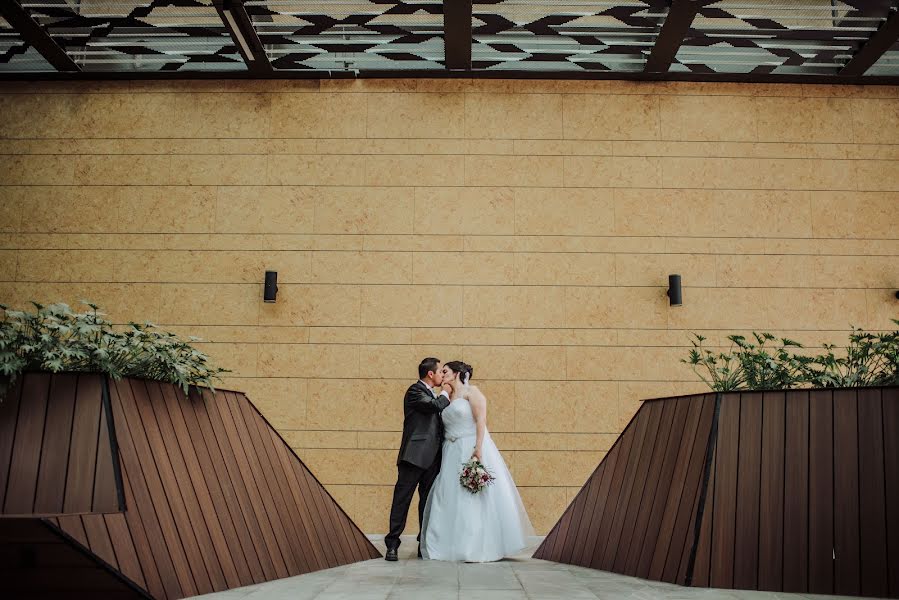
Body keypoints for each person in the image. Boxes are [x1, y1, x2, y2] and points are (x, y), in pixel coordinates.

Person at [419, 360, 534, 562]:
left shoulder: (473, 393)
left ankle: (475, 545)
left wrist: (478, 448)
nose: (442, 375)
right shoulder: (445, 397)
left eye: (445, 371)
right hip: (450, 450)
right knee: (448, 494)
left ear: (456, 374)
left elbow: (481, 421)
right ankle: (446, 543)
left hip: (470, 446)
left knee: (471, 495)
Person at [384, 357, 450, 561]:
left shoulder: (431, 393)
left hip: (433, 459)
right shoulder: (415, 391)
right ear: (430, 374)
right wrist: (446, 392)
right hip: (413, 457)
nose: (442, 376)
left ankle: (424, 544)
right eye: (440, 372)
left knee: (427, 503)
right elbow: (433, 405)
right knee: (402, 500)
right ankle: (393, 544)